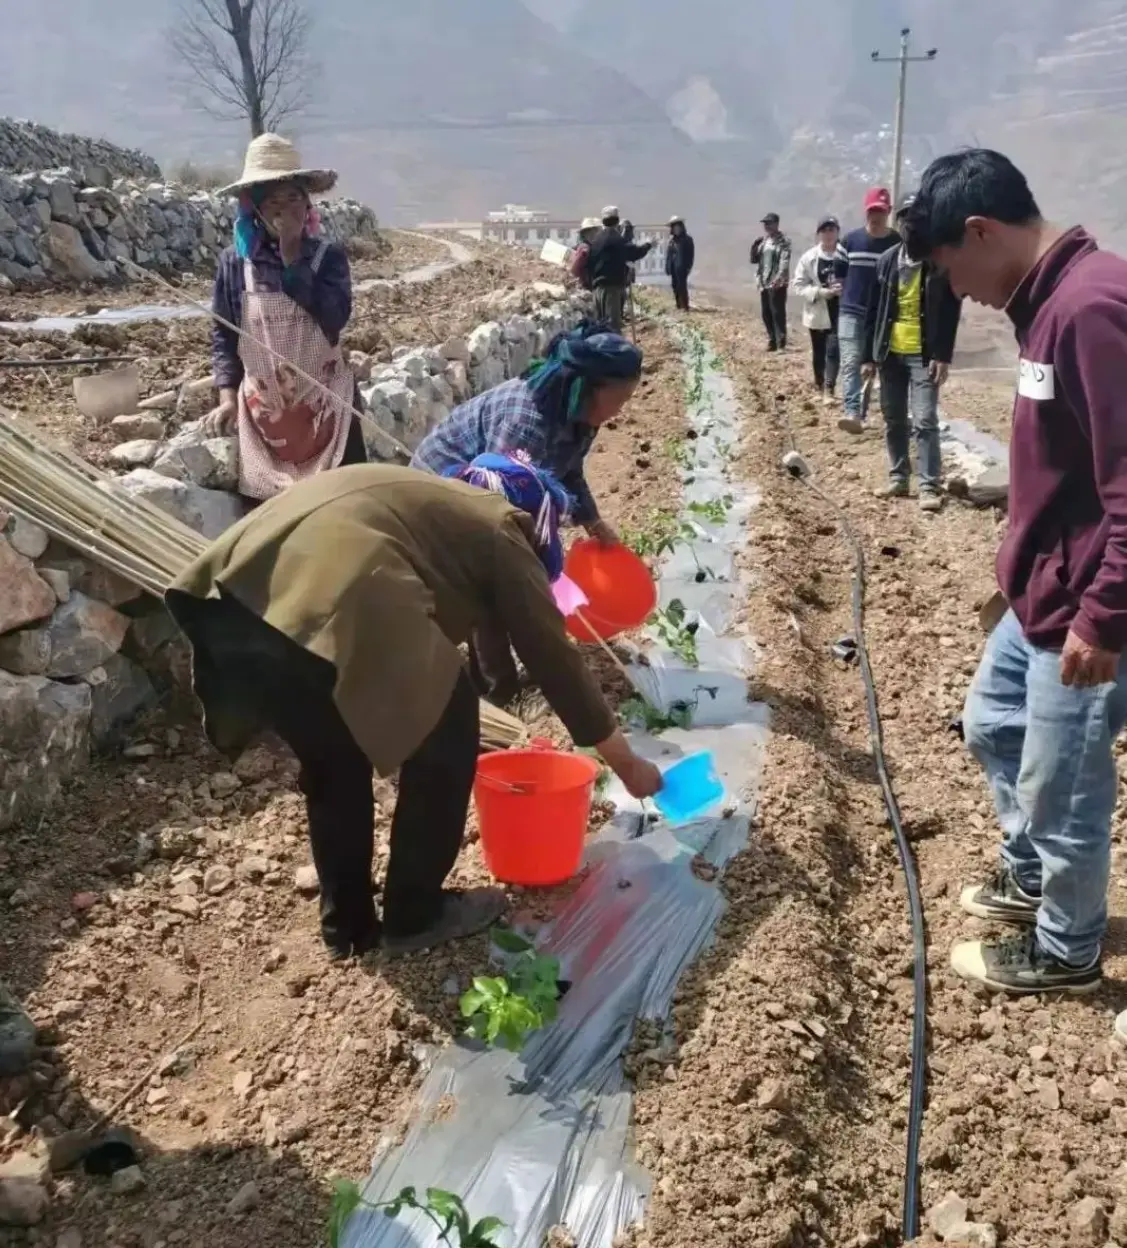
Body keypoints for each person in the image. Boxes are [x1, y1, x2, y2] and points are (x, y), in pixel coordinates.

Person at [165, 463, 663, 962]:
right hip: (326, 605)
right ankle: (415, 912)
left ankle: (348, 926)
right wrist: (627, 764)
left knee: (334, 762)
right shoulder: (504, 530)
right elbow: (553, 657)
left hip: (241, 605)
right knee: (448, 729)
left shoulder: (423, 499)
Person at [900, 148, 1127, 997]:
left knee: (1063, 785)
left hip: (1086, 604)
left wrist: (1101, 616)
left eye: (949, 269)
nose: (954, 290)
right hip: (1042, 591)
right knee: (993, 723)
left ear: (980, 231)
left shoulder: (1090, 308)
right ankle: (1030, 873)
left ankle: (1064, 951)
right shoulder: (1048, 305)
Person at [411, 323, 641, 702]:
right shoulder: (528, 420)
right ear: (592, 387)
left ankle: (512, 672)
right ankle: (498, 691)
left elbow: (568, 469)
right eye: (620, 398)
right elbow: (495, 504)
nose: (621, 410)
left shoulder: (579, 413)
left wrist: (592, 520)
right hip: (443, 491)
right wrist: (536, 561)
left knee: (522, 574)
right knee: (490, 581)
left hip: (492, 489)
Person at [203, 133, 368, 502]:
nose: (283, 209)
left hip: (328, 412)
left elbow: (334, 317)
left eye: (292, 197)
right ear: (255, 210)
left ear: (307, 204)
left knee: (342, 508)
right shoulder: (235, 264)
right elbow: (224, 335)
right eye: (272, 200)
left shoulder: (328, 258)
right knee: (272, 520)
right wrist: (227, 397)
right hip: (266, 422)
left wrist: (293, 259)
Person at [862, 194, 962, 512]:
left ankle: (929, 485)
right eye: (905, 217)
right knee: (893, 418)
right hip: (890, 353)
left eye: (917, 218)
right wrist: (868, 356)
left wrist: (943, 355)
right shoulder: (887, 261)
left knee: (925, 419)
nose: (910, 224)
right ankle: (899, 478)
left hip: (924, 356)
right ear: (898, 222)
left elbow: (950, 311)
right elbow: (873, 311)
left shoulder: (939, 264)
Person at [837, 188, 901, 434]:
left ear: (888, 212)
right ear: (866, 211)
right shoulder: (850, 242)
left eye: (881, 211)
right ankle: (852, 411)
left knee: (876, 364)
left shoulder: (896, 244)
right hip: (852, 311)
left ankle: (871, 410)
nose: (876, 216)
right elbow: (840, 276)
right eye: (872, 211)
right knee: (851, 360)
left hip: (883, 316)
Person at [792, 215, 849, 405]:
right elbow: (798, 285)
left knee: (834, 349)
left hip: (841, 309)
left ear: (837, 231)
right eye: (824, 230)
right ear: (819, 234)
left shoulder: (846, 254)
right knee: (819, 350)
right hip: (817, 310)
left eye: (832, 229)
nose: (828, 234)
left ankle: (829, 389)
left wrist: (845, 288)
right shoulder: (809, 258)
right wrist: (820, 292)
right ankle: (818, 385)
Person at [586, 206, 653, 331]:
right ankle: (612, 350)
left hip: (597, 289)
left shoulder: (596, 241)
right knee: (612, 326)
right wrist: (649, 245)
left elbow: (589, 264)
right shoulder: (617, 240)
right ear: (617, 221)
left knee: (600, 325)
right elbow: (634, 253)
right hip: (612, 289)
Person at [750, 213, 792, 351]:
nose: (767, 226)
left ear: (776, 224)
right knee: (766, 312)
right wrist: (754, 247)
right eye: (765, 224)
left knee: (777, 312)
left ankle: (781, 342)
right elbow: (756, 260)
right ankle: (772, 339)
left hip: (777, 283)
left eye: (769, 223)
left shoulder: (783, 241)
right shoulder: (764, 241)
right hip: (764, 281)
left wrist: (779, 278)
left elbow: (784, 261)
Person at [665, 216, 695, 311]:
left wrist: (689, 267)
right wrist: (667, 266)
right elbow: (669, 255)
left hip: (682, 267)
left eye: (678, 227)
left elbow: (691, 254)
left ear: (681, 227)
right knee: (674, 285)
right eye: (674, 228)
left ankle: (685, 306)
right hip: (674, 266)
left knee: (682, 285)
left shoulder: (687, 240)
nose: (676, 229)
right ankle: (678, 304)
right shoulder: (672, 241)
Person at [569, 217, 601, 290]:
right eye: (590, 232)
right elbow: (575, 268)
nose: (593, 234)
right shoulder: (584, 248)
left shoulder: (594, 246)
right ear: (585, 233)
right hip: (586, 284)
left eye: (595, 231)